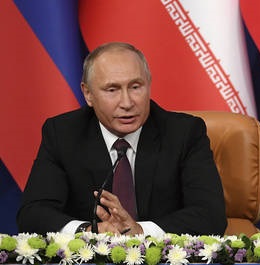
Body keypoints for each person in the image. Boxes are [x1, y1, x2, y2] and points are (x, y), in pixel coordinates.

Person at [17, 42, 227, 237]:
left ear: (149, 85)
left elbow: (210, 215)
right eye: (112, 90)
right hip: (89, 262)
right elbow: (33, 214)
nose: (127, 103)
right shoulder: (63, 134)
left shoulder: (184, 133)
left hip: (166, 262)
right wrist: (90, 231)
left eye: (135, 87)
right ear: (88, 94)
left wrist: (140, 231)